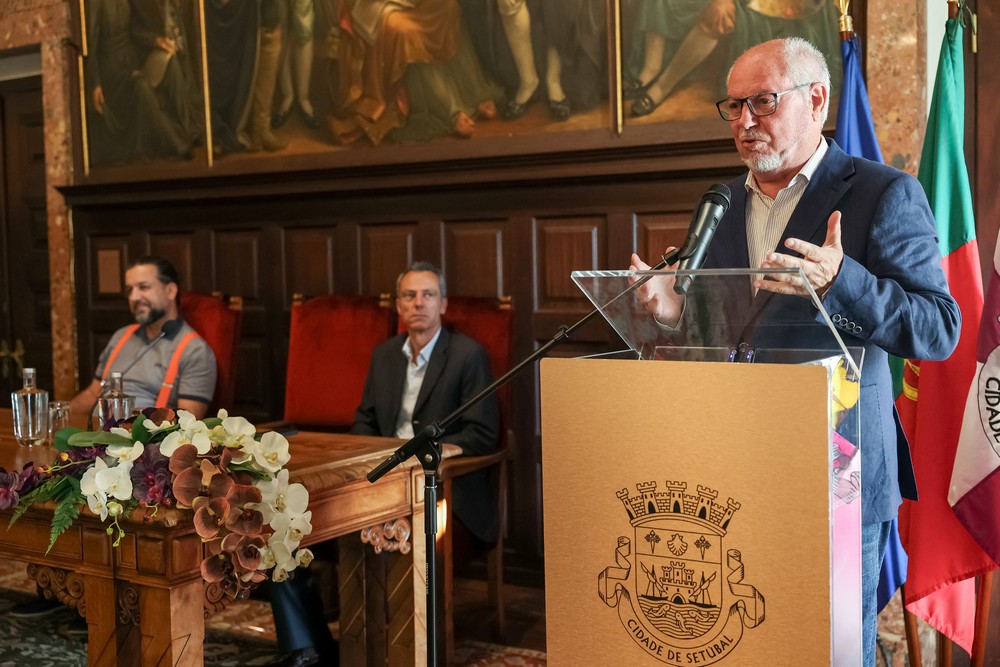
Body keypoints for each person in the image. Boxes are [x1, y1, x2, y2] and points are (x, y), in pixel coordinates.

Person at [629, 38, 960, 667]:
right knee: (749, 644)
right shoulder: (720, 205)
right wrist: (672, 313)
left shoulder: (882, 194)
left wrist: (845, 281)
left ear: (817, 100)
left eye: (762, 102)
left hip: (838, 471)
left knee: (831, 650)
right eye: (733, 106)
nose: (745, 122)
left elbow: (938, 328)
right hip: (734, 470)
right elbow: (724, 330)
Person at [267, 261, 499, 666]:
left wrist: (417, 458)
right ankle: (308, 646)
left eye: (428, 295)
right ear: (398, 305)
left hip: (442, 486)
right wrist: (367, 457)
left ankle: (406, 652)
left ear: (443, 304)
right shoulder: (385, 355)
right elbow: (366, 420)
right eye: (409, 295)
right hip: (377, 478)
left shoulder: (467, 356)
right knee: (284, 529)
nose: (418, 303)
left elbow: (482, 434)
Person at [68, 256, 217, 421]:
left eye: (143, 287)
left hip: (143, 442)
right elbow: (92, 393)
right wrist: (53, 414)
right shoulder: (121, 336)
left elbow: (188, 420)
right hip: (93, 435)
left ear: (170, 291)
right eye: (129, 290)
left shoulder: (195, 350)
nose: (133, 297)